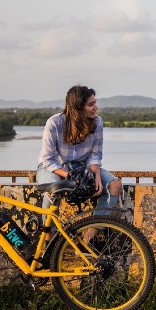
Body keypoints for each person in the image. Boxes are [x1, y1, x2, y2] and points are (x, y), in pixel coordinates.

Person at [37, 85, 122, 214]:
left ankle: (91, 232)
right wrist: (71, 177)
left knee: (115, 185)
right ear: (77, 108)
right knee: (54, 189)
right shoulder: (54, 123)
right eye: (91, 104)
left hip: (82, 167)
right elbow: (48, 160)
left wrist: (96, 174)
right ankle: (50, 232)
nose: (96, 107)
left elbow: (95, 154)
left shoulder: (97, 122)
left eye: (95, 103)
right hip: (54, 167)